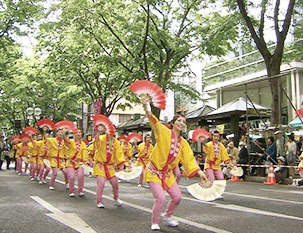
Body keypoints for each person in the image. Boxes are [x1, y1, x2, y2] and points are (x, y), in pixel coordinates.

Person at [140, 96, 208, 231]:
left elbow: (189, 158)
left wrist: (200, 172)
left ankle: (168, 215)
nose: (182, 123)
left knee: (177, 197)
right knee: (160, 198)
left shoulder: (183, 143)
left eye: (184, 122)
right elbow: (153, 121)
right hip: (154, 171)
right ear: (173, 123)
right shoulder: (163, 132)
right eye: (179, 121)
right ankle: (155, 222)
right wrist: (147, 106)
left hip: (166, 173)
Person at [92, 120, 126, 208]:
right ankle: (99, 201)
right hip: (100, 165)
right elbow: (95, 143)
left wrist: (122, 165)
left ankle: (116, 198)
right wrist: (98, 132)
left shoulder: (116, 142)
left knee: (115, 182)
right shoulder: (101, 138)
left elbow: (119, 155)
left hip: (110, 166)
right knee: (101, 183)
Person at [64, 128, 88, 197]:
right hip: (70, 162)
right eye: (76, 132)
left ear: (82, 134)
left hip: (79, 162)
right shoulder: (71, 141)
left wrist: (85, 161)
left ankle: (80, 191)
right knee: (71, 177)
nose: (78, 134)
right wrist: (64, 134)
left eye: (79, 132)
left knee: (80, 176)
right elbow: (65, 141)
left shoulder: (83, 144)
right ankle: (72, 191)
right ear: (74, 134)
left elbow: (85, 152)